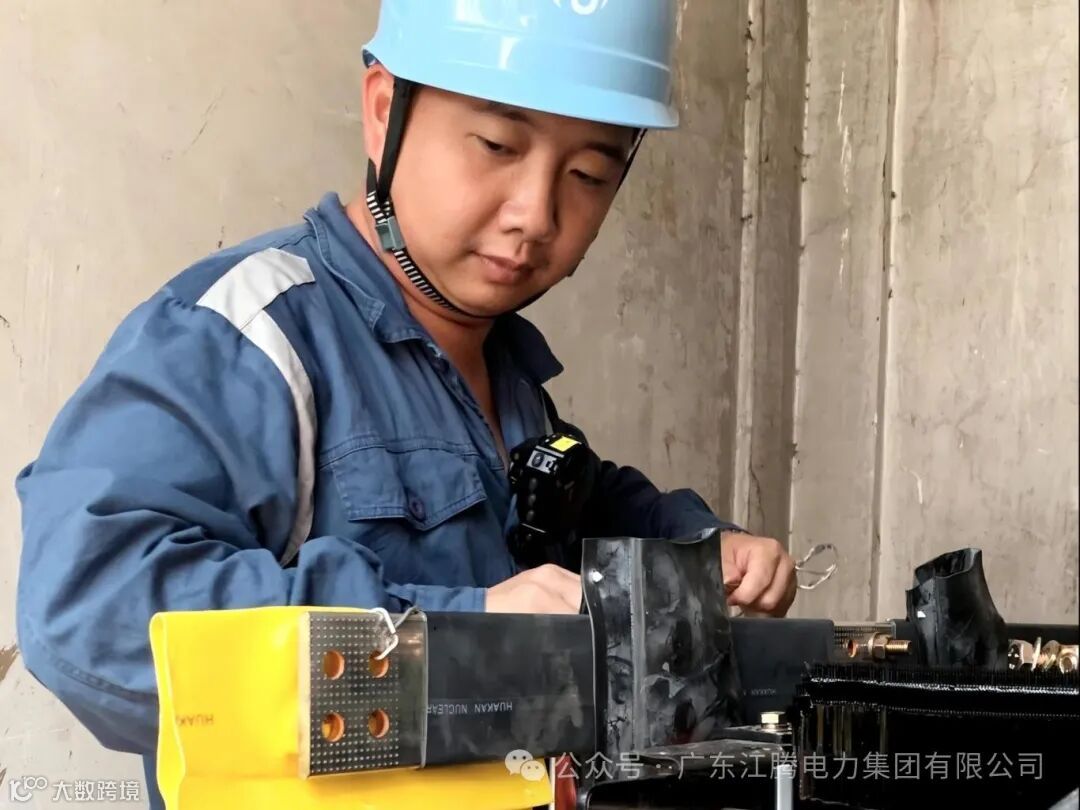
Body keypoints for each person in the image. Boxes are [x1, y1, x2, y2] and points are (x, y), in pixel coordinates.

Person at [14, 0, 798, 806]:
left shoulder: (509, 379)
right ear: (384, 110)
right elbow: (89, 612)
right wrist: (449, 642)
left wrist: (700, 548)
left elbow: (576, 509)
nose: (536, 214)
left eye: (589, 175)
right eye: (497, 146)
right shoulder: (250, 337)